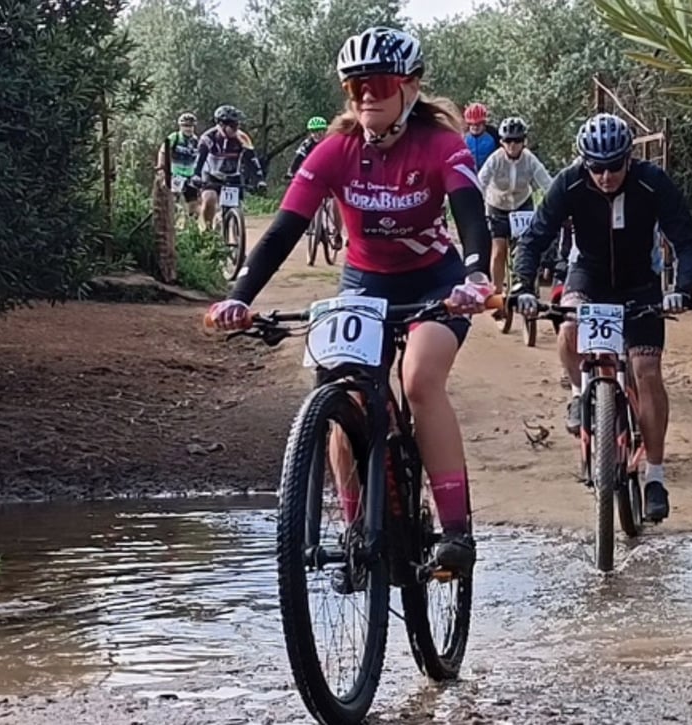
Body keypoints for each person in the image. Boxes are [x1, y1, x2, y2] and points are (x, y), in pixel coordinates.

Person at [207, 26, 494, 578]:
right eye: (355, 85)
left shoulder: (441, 145)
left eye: (379, 83)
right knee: (343, 393)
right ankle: (359, 529)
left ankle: (456, 530)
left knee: (418, 379)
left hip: (436, 283)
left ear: (409, 89)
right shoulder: (334, 150)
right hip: (365, 284)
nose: (366, 95)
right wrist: (237, 298)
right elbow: (282, 231)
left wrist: (477, 276)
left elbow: (470, 216)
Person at [511, 112, 692, 523]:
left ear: (629, 160)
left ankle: (654, 474)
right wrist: (522, 286)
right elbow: (535, 237)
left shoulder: (653, 182)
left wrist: (683, 290)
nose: (604, 176)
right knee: (569, 328)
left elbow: (687, 239)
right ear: (584, 162)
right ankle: (581, 393)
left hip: (640, 281)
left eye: (614, 166)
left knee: (646, 368)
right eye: (595, 167)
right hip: (590, 273)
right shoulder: (570, 182)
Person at [477, 116, 553, 298]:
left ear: (524, 141)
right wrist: (476, 207)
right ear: (502, 142)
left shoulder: (530, 159)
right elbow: (480, 183)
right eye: (508, 140)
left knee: (526, 247)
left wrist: (556, 204)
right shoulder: (495, 159)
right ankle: (496, 293)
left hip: (522, 205)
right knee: (498, 251)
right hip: (497, 206)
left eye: (517, 140)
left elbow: (547, 183)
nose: (513, 145)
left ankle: (525, 282)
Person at [192, 104, 267, 230]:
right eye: (233, 126)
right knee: (210, 199)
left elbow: (252, 160)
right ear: (221, 125)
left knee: (233, 207)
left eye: (238, 125)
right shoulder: (208, 138)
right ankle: (207, 231)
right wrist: (196, 175)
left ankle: (225, 221)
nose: (236, 129)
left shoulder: (242, 137)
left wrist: (259, 180)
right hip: (211, 175)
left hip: (233, 176)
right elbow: (200, 159)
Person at [286, 116, 342, 246]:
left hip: (332, 176)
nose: (317, 134)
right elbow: (298, 159)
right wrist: (291, 172)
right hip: (316, 178)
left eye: (320, 131)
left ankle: (337, 232)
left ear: (325, 131)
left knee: (335, 203)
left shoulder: (332, 141)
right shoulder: (307, 144)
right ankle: (311, 225)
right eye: (313, 131)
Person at [157, 112, 201, 217]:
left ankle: (191, 226)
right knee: (173, 200)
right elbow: (163, 151)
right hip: (175, 174)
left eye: (190, 126)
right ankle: (172, 222)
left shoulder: (196, 140)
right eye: (185, 126)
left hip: (190, 175)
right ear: (180, 126)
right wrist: (161, 167)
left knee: (193, 203)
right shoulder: (174, 137)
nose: (188, 129)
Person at [462, 102, 499, 172]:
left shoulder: (494, 135)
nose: (475, 127)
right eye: (472, 124)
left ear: (484, 123)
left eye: (478, 124)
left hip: (489, 175)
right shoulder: (463, 136)